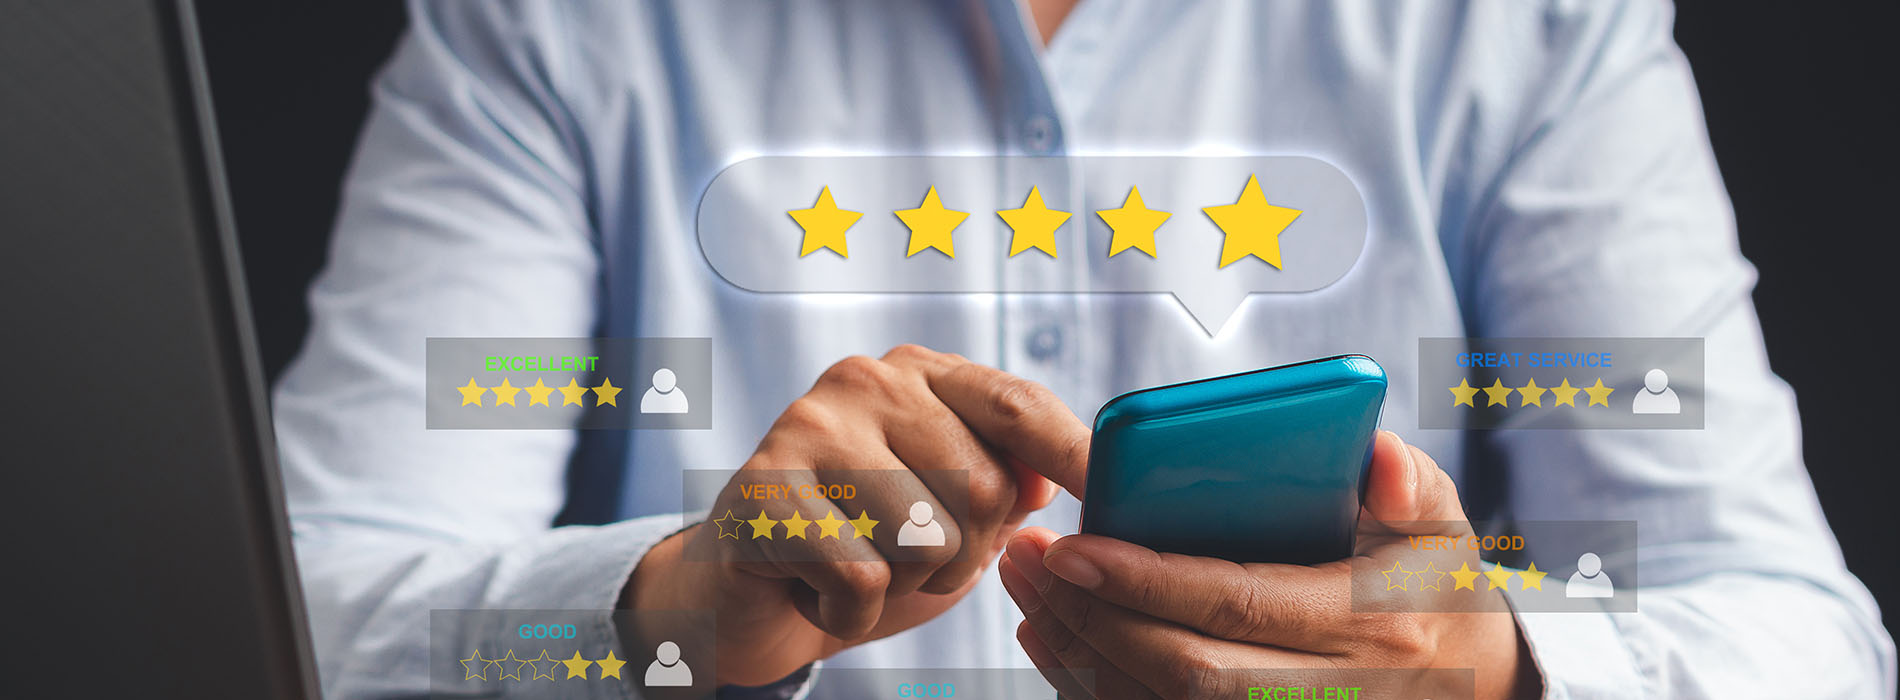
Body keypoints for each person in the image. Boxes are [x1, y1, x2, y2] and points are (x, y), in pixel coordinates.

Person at [271, 1, 1895, 698]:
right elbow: (292, 619)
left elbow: (1795, 637)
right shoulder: (562, 27)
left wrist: (1495, 675)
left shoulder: (1520, 26)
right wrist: (659, 623)